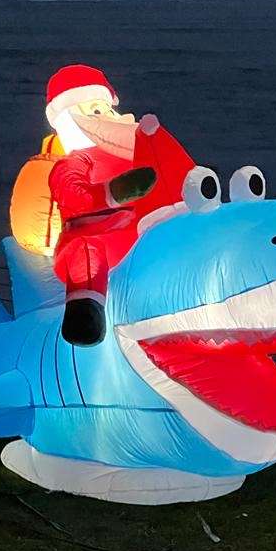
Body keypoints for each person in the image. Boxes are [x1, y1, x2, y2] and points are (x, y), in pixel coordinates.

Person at [45, 64, 194, 346]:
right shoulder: (77, 161)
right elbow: (71, 193)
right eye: (96, 110)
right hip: (98, 233)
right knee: (86, 251)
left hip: (142, 228)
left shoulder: (135, 151)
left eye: (108, 109)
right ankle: (86, 308)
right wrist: (111, 193)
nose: (109, 116)